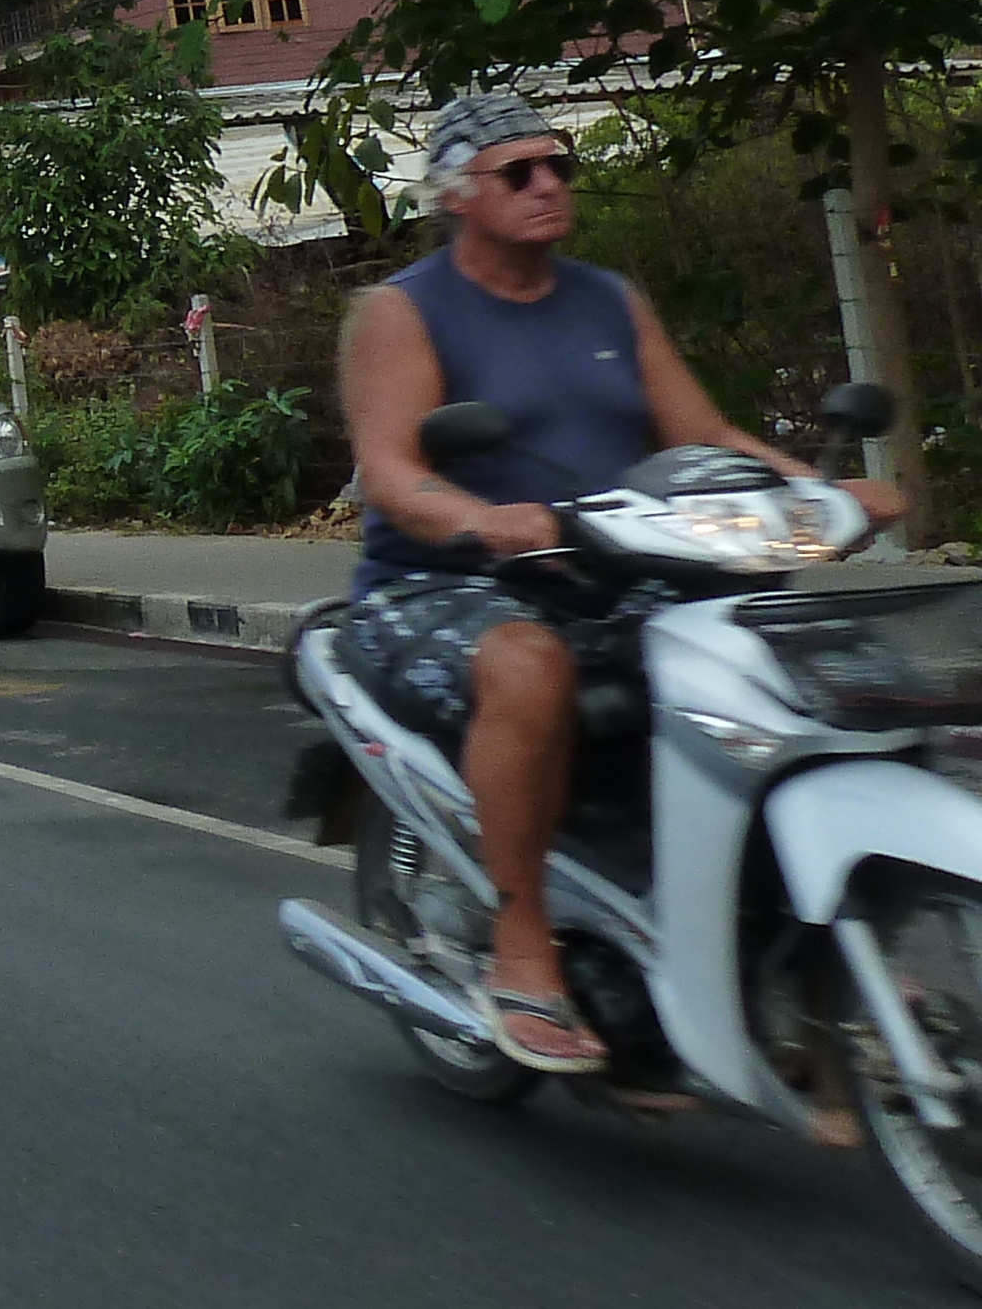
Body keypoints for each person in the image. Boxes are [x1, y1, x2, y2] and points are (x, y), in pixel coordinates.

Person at [340, 86, 903, 1072]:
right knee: (529, 665)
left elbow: (705, 437)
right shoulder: (402, 312)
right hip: (442, 587)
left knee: (803, 660)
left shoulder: (608, 299)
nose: (548, 183)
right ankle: (522, 950)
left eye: (558, 165)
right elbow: (390, 472)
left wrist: (823, 496)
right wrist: (483, 519)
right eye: (519, 171)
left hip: (617, 570)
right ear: (456, 194)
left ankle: (819, 931)